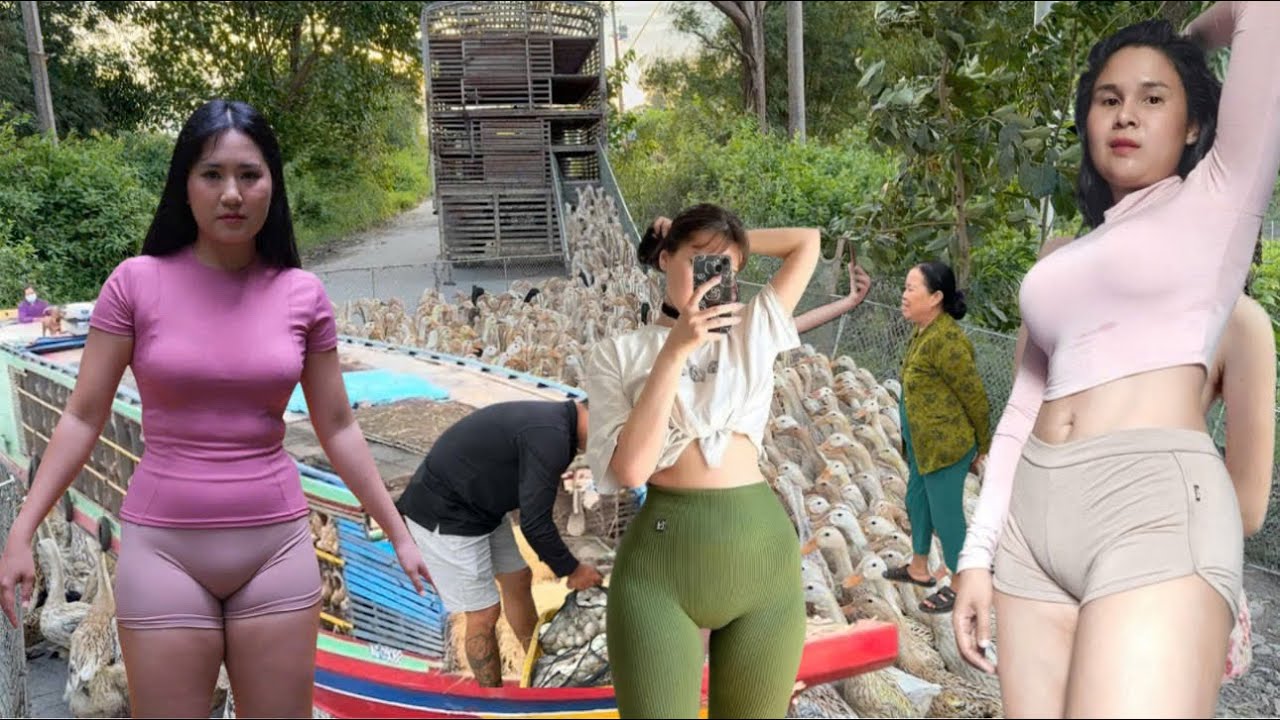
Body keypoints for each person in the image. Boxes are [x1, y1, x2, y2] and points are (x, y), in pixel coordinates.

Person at [0, 99, 431, 718]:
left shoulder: (301, 295)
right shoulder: (135, 284)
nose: (232, 193)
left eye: (249, 175)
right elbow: (82, 417)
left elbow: (337, 426)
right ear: (186, 185)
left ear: (272, 185)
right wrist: (21, 533)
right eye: (212, 175)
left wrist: (399, 533)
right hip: (166, 551)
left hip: (276, 551)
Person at [951, 4, 1280, 717]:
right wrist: (978, 553)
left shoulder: (1219, 199)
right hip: (1033, 531)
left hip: (1152, 513)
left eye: (1153, 98)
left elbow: (1264, 11)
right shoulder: (1061, 257)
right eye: (1108, 99)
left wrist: (1184, 44)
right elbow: (1022, 407)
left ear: (1194, 123)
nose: (1126, 113)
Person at [584, 204, 820, 718]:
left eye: (726, 268)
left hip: (763, 564)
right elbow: (630, 472)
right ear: (664, 258)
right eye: (698, 261)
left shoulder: (753, 332)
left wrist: (722, 237)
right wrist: (674, 349)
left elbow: (807, 241)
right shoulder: (617, 354)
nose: (713, 276)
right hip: (659, 572)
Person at [394, 398, 604, 688]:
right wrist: (572, 569)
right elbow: (534, 523)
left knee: (519, 578)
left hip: (482, 506)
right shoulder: (551, 436)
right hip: (446, 512)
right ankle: (492, 696)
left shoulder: (559, 427)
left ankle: (536, 665)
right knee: (483, 613)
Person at [883, 261, 991, 614]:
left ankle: (961, 584)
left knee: (946, 517)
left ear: (936, 297)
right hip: (922, 444)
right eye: (905, 287)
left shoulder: (948, 340)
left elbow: (974, 396)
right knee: (917, 503)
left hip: (946, 447)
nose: (904, 295)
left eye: (911, 288)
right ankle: (918, 567)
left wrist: (984, 446)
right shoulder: (924, 331)